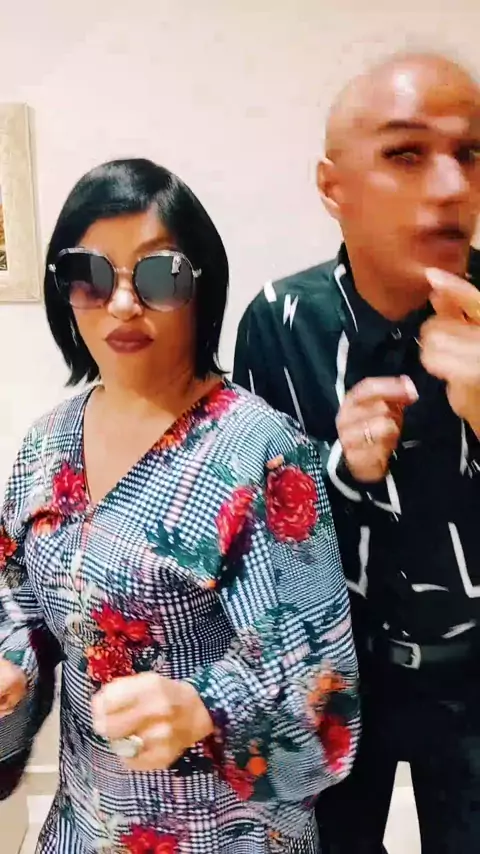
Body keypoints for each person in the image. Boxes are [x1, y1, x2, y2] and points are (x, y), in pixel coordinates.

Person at [0, 158, 359, 853]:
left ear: (202, 286)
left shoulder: (260, 450)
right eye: (90, 275)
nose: (122, 303)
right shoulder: (46, 444)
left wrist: (201, 709)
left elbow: (322, 691)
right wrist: (11, 673)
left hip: (225, 834)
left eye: (159, 275)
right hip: (85, 826)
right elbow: (19, 608)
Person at [233, 52, 480, 854]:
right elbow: (255, 541)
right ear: (333, 187)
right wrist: (340, 473)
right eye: (406, 153)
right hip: (335, 680)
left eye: (470, 152)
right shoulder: (280, 321)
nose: (452, 186)